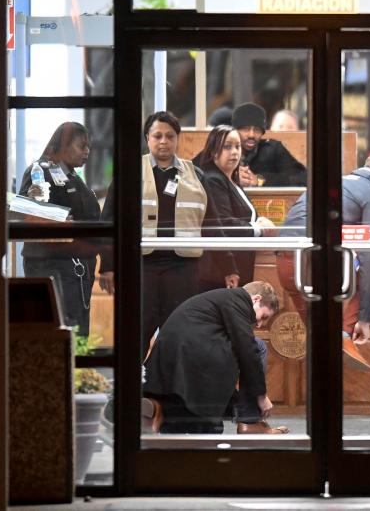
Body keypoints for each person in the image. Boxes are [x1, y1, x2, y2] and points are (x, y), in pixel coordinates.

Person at [279, 153, 370, 371]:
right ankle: (344, 333)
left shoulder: (331, 183)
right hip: (316, 263)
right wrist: (363, 318)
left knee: (320, 335)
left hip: (286, 262)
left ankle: (327, 343)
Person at [100, 111, 208, 353]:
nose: (163, 141)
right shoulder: (129, 173)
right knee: (137, 330)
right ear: (147, 138)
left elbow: (210, 223)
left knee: (181, 332)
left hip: (183, 267)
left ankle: (173, 389)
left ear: (177, 139)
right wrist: (107, 265)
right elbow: (108, 220)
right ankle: (131, 386)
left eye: (170, 136)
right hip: (142, 265)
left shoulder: (196, 175)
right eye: (157, 135)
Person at [142, 280, 288, 435]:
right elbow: (247, 348)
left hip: (170, 359)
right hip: (193, 351)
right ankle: (249, 420)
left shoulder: (217, 299)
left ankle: (156, 406)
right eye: (263, 316)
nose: (259, 324)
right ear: (256, 299)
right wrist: (261, 395)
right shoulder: (238, 299)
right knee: (257, 347)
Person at [19, 121, 109, 337]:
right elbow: (24, 211)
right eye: (81, 146)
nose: (87, 152)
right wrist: (60, 217)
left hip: (78, 267)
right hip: (52, 265)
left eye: (89, 147)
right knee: (58, 332)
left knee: (78, 332)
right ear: (63, 145)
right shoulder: (40, 171)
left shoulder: (73, 177)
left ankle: (77, 371)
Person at [193, 125, 278, 292]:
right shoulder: (213, 179)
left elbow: (244, 215)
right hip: (220, 272)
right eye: (227, 146)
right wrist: (257, 228)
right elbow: (224, 224)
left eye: (237, 146)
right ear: (213, 151)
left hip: (239, 267)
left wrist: (259, 220)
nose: (234, 152)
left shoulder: (231, 179)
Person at [231, 102, 307, 187]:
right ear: (235, 130)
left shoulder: (273, 149)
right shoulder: (222, 150)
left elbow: (302, 178)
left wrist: (260, 180)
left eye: (257, 130)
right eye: (245, 129)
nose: (251, 135)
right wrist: (231, 178)